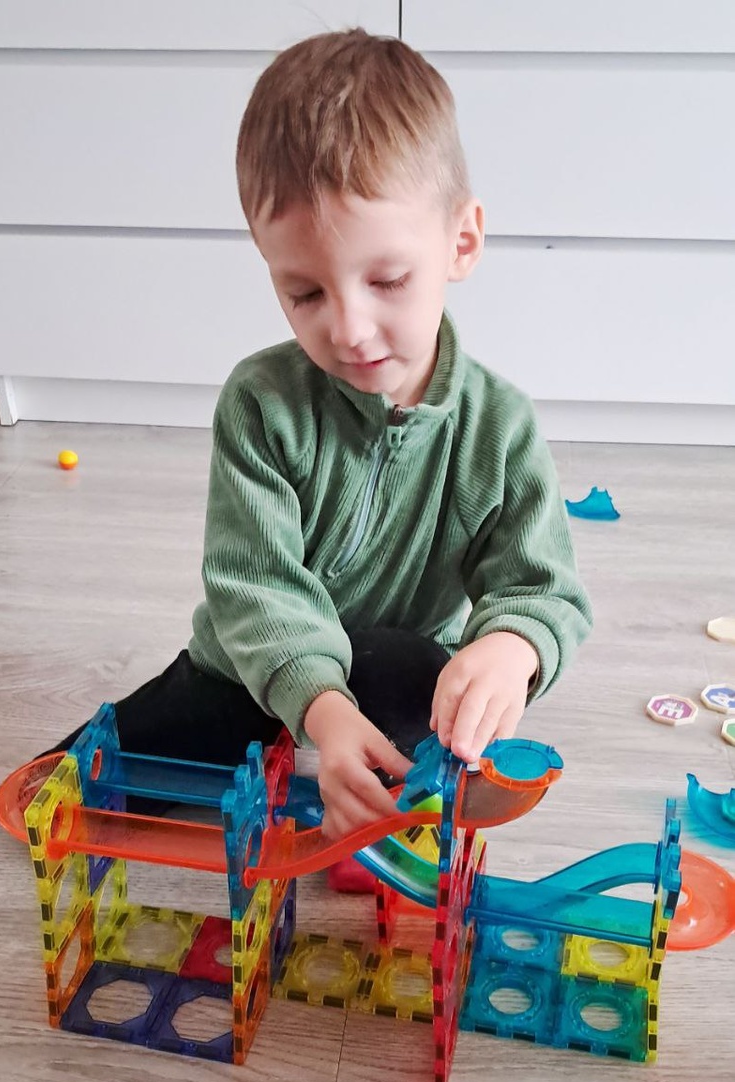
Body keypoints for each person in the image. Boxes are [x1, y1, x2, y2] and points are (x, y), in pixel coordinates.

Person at [49, 28, 592, 851]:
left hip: (395, 672)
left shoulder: (500, 427)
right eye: (304, 293)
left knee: (424, 693)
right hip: (248, 671)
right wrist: (320, 709)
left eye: (387, 280)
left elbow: (541, 588)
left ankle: (375, 784)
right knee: (68, 799)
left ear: (461, 243)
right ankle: (322, 753)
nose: (347, 329)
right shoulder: (260, 402)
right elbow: (254, 586)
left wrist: (512, 646)